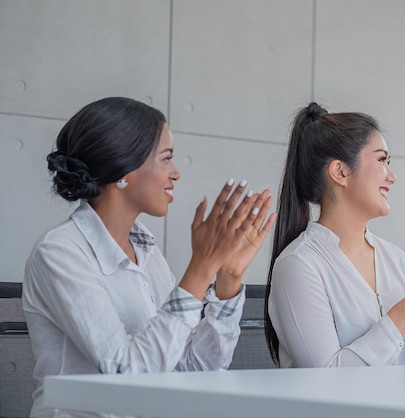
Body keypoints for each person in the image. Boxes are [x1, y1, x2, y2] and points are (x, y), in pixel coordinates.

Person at [22, 97, 275, 418]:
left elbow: (192, 369)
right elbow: (128, 377)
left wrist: (227, 278)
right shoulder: (59, 253)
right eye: (166, 158)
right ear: (124, 167)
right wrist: (200, 269)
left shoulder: (146, 250)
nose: (176, 173)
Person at [264, 102, 405, 368]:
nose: (392, 177)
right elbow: (325, 378)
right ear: (340, 171)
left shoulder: (397, 260)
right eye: (382, 160)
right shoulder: (299, 265)